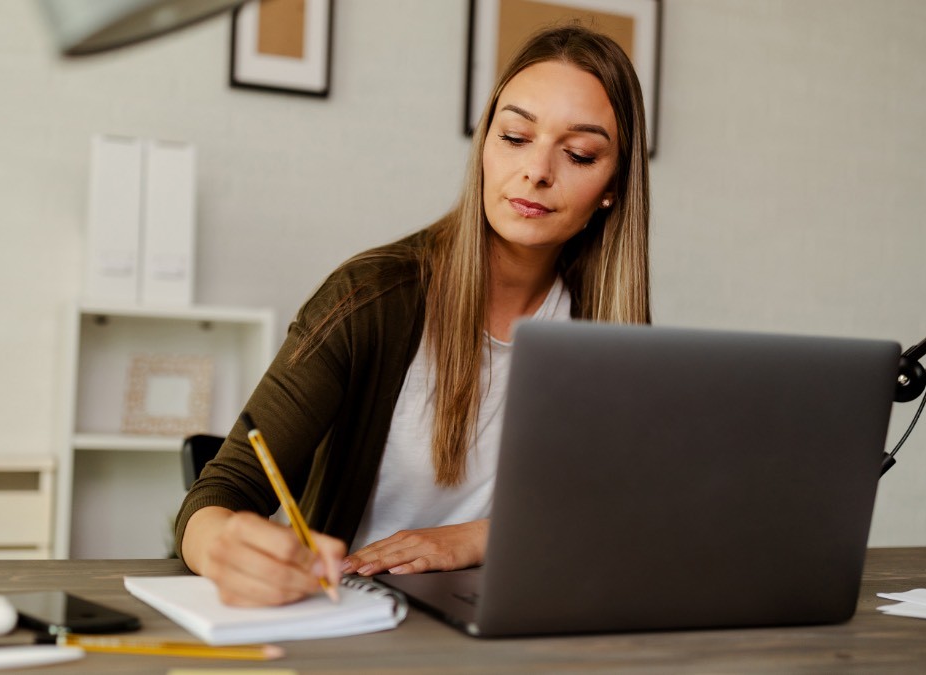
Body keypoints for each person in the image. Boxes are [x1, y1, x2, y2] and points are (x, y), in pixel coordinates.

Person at [175, 23, 651, 607]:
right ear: (484, 147)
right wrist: (221, 544)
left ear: (612, 186)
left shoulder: (613, 331)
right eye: (514, 137)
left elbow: (624, 520)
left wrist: (480, 539)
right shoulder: (368, 299)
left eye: (579, 153)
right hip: (360, 613)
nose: (537, 171)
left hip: (520, 622)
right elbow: (217, 494)